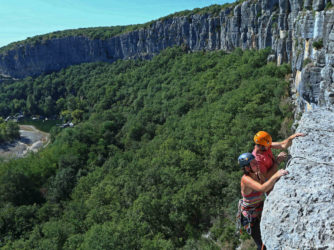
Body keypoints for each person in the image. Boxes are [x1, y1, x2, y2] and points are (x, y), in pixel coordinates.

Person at [238, 152, 288, 250]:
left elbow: (267, 178)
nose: (256, 163)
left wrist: (277, 162)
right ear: (247, 168)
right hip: (251, 216)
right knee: (262, 245)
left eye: (255, 161)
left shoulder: (257, 173)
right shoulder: (246, 180)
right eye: (253, 163)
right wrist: (276, 175)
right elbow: (262, 188)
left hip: (259, 209)